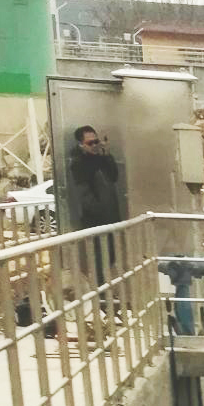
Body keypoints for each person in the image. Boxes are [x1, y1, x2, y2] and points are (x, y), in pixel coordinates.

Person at [67, 125, 122, 291]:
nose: (95, 145)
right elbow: (84, 196)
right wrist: (101, 213)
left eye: (96, 141)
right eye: (90, 143)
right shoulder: (79, 164)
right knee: (99, 261)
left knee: (110, 257)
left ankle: (104, 295)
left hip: (110, 219)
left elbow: (114, 176)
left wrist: (106, 154)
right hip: (95, 221)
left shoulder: (100, 158)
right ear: (81, 145)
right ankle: (100, 296)